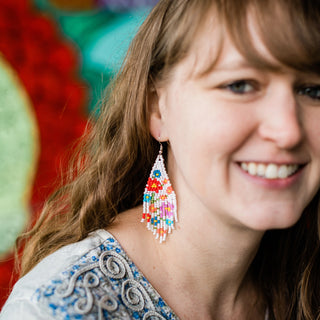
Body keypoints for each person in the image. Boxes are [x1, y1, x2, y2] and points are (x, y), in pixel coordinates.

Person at [1, 0, 320, 319]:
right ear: (157, 108)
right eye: (240, 86)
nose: (287, 131)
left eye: (313, 91)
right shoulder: (55, 308)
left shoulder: (304, 283)